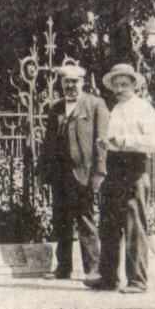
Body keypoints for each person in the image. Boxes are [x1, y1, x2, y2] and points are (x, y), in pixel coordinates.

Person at [84, 63, 155, 295]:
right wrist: (106, 143)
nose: (119, 89)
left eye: (124, 85)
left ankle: (137, 280)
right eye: (116, 85)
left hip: (133, 170)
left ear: (134, 85)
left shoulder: (144, 109)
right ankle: (108, 277)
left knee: (134, 226)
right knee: (109, 224)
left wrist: (126, 141)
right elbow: (114, 140)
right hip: (114, 170)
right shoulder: (116, 109)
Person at [36, 61, 108, 280]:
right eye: (66, 82)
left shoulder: (95, 105)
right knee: (61, 221)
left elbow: (101, 142)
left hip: (84, 174)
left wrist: (99, 173)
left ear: (82, 82)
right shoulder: (56, 107)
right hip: (60, 175)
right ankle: (63, 268)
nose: (70, 86)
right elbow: (48, 143)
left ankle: (93, 270)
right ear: (61, 83)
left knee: (86, 221)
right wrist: (42, 173)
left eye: (74, 82)